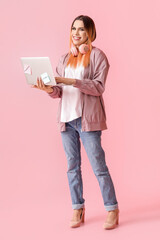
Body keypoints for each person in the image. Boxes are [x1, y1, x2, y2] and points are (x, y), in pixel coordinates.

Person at [31, 15, 119, 230]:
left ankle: (112, 208)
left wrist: (71, 81)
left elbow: (98, 88)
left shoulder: (98, 56)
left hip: (88, 120)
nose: (76, 33)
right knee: (72, 167)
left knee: (99, 167)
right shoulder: (64, 59)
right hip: (66, 120)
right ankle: (77, 207)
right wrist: (49, 89)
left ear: (90, 32)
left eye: (81, 29)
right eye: (73, 29)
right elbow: (58, 92)